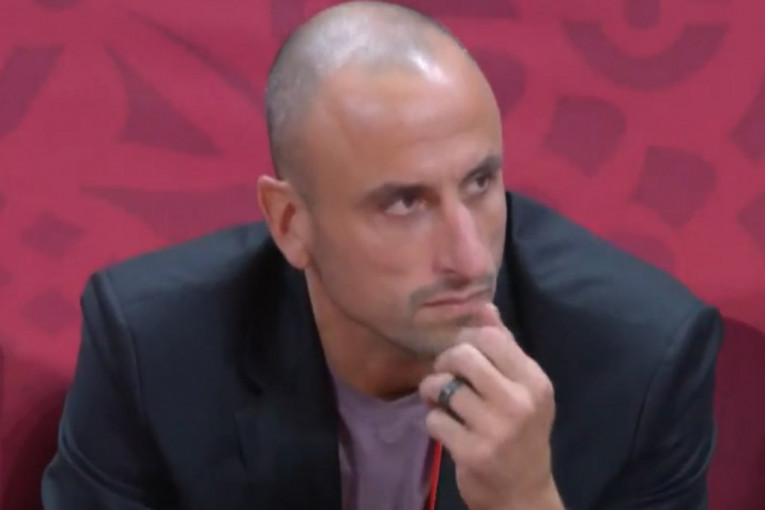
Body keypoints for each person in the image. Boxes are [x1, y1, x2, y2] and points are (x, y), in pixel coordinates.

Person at [41, 2, 723, 509]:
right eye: (403, 204)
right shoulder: (155, 346)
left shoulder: (641, 361)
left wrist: (525, 501)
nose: (468, 259)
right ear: (290, 223)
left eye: (480, 183)